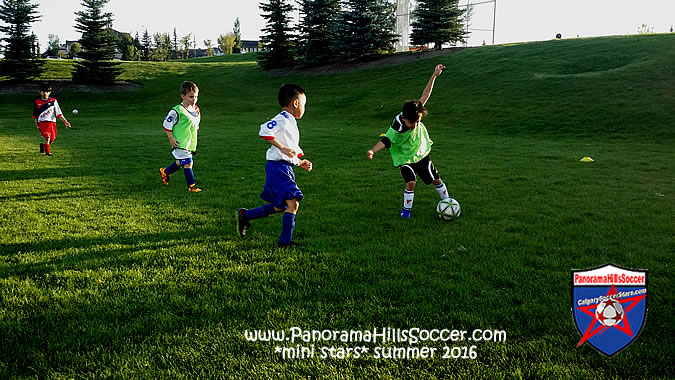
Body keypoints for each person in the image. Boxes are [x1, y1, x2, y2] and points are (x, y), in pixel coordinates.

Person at [367, 64, 451, 219]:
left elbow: (425, 95)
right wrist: (373, 150)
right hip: (404, 156)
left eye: (418, 121)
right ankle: (406, 211)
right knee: (411, 182)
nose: (415, 125)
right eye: (412, 123)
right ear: (404, 119)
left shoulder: (414, 113)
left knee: (436, 179)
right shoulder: (397, 125)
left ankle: (448, 203)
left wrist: (434, 75)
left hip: (419, 151)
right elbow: (386, 140)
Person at [238, 84, 313, 248]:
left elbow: (291, 149)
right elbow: (264, 130)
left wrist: (300, 162)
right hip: (278, 168)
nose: (304, 108)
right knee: (293, 203)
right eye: (303, 104)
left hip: (284, 167)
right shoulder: (282, 118)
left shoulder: (291, 122)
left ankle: (246, 215)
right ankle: (285, 242)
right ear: (295, 103)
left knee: (281, 207)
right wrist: (282, 147)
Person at [159, 81, 202, 192]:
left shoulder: (196, 109)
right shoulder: (177, 111)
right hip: (179, 142)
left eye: (196, 96)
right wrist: (171, 139)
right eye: (191, 97)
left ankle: (165, 172)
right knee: (188, 162)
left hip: (190, 142)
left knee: (181, 161)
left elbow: (195, 123)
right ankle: (191, 186)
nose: (194, 99)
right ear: (183, 96)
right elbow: (166, 124)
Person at [33, 82, 71, 156]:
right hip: (42, 122)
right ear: (39, 92)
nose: (45, 93)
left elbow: (59, 113)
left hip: (52, 123)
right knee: (47, 137)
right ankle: (47, 153)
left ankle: (43, 146)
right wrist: (36, 124)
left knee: (52, 138)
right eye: (43, 91)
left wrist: (65, 122)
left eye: (47, 91)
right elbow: (35, 115)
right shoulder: (37, 102)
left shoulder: (53, 101)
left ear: (50, 92)